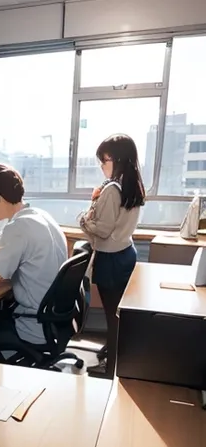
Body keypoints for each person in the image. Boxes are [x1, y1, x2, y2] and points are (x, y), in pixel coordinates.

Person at [0, 163, 68, 358]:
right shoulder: (40, 216)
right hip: (54, 318)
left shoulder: (17, 228)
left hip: (32, 322)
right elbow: (20, 251)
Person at [79, 134, 145, 378]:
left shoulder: (111, 190)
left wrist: (84, 218)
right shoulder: (133, 186)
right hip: (126, 253)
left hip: (110, 258)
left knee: (112, 315)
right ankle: (113, 351)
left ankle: (111, 366)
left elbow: (102, 229)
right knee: (118, 313)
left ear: (117, 160)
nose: (102, 166)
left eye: (104, 160)